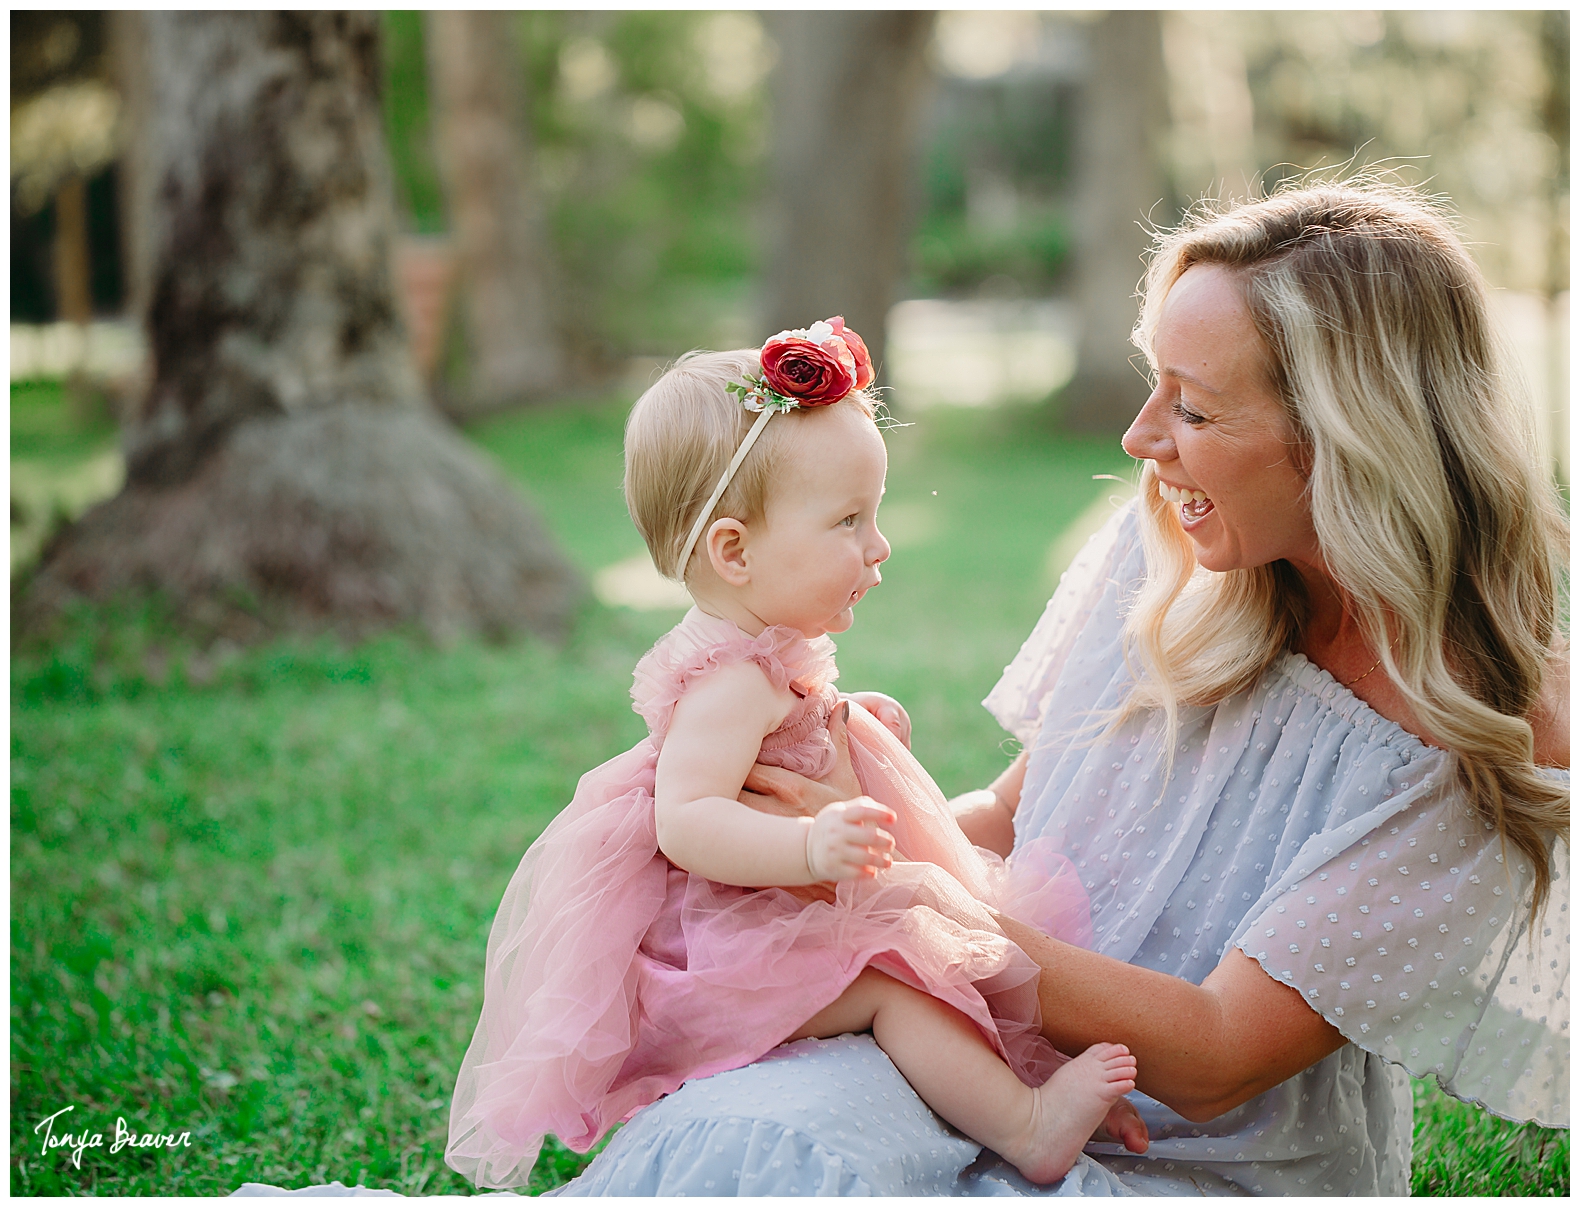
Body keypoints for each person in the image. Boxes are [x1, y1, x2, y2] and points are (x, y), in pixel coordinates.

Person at [561, 182, 1570, 1195]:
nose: (1142, 440)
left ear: (1347, 438)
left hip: (1184, 1155)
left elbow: (1220, 1058)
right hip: (986, 1053)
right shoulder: (1182, 563)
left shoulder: (1476, 732)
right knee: (759, 1142)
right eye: (1154, 387)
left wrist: (906, 902)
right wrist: (816, 854)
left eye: (1191, 408)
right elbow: (1016, 812)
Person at [442, 319, 1146, 1192]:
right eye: (850, 520)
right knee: (901, 976)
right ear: (733, 550)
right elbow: (688, 818)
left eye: (874, 514)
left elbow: (784, 742)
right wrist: (807, 848)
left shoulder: (767, 652)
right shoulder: (729, 681)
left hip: (770, 920)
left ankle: (1027, 1081)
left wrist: (851, 723)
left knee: (935, 941)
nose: (879, 544)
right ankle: (1027, 1122)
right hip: (723, 954)